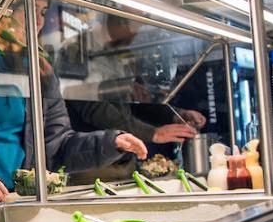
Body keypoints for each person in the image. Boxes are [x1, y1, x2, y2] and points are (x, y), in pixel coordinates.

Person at [0, 0, 148, 205]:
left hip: (16, 200)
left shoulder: (39, 72)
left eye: (43, 12)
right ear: (0, 11)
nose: (38, 21)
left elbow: (58, 146)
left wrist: (110, 143)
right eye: (29, 9)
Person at [63, 15, 205, 148]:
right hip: (90, 154)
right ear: (121, 23)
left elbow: (135, 105)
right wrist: (153, 133)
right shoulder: (78, 49)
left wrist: (175, 115)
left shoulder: (117, 54)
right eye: (137, 27)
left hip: (121, 157)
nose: (138, 34)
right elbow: (95, 109)